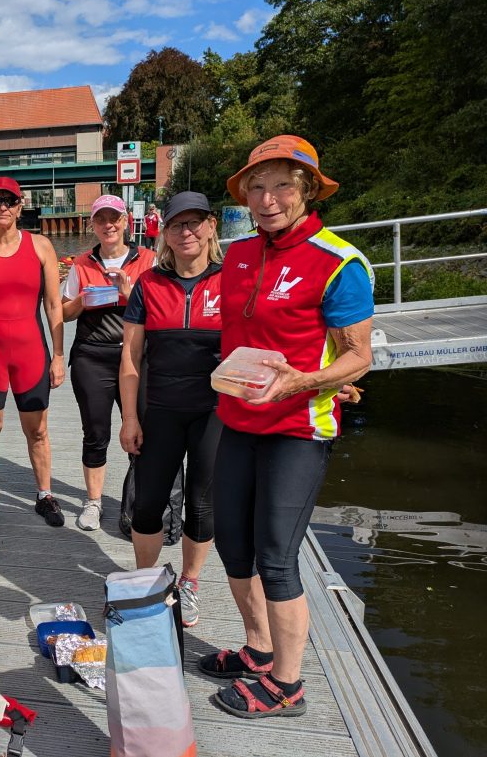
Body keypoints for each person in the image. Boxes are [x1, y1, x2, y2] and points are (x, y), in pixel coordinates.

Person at [200, 135, 374, 719]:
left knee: (277, 555)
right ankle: (258, 649)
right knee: (232, 544)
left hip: (297, 426)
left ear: (307, 191)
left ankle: (288, 684)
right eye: (258, 186)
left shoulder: (339, 261)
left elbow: (359, 357)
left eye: (282, 185)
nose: (268, 198)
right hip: (237, 419)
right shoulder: (243, 254)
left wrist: (302, 381)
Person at [118, 191, 223, 629]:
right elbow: (130, 355)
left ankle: (190, 583)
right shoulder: (149, 283)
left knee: (201, 504)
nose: (187, 231)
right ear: (166, 231)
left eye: (195, 222)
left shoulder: (230, 280)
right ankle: (146, 581)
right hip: (158, 408)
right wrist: (128, 418)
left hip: (212, 412)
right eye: (179, 223)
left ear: (211, 226)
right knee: (148, 504)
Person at [0, 177, 65, 533]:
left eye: (10, 200)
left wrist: (58, 355)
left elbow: (54, 305)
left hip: (31, 349)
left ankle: (45, 494)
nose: (3, 206)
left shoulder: (40, 246)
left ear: (21, 206)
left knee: (37, 430)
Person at [61, 195, 155, 530]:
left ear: (127, 221)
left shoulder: (149, 260)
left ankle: (139, 501)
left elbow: (159, 314)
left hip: (135, 355)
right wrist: (83, 302)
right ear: (93, 226)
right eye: (101, 219)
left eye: (114, 218)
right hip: (92, 355)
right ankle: (94, 502)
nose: (109, 225)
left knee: (142, 430)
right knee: (95, 431)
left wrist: (129, 293)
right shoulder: (83, 264)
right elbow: (63, 313)